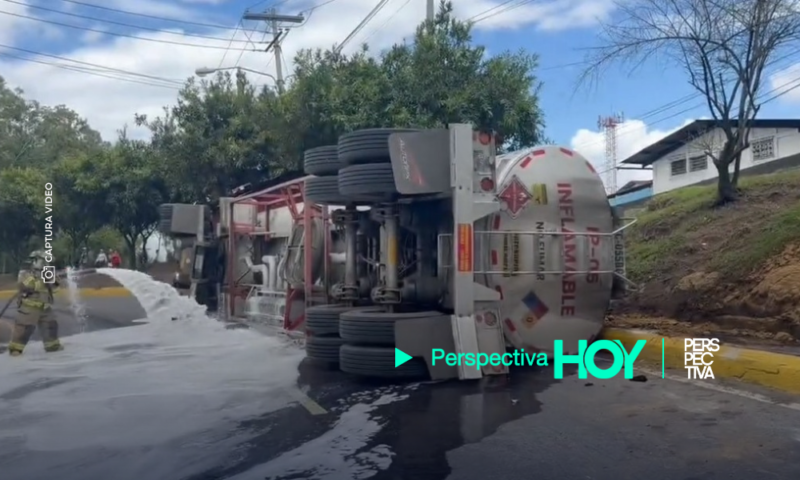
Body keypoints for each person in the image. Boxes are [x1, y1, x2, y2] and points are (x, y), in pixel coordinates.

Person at [8, 250, 63, 356]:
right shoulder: (25, 272)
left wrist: (53, 281)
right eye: (43, 261)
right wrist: (38, 279)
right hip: (29, 307)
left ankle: (52, 347)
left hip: (45, 308)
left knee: (51, 326)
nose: (46, 264)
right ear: (36, 260)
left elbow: (55, 288)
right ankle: (16, 351)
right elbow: (23, 286)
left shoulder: (48, 272)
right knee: (23, 329)